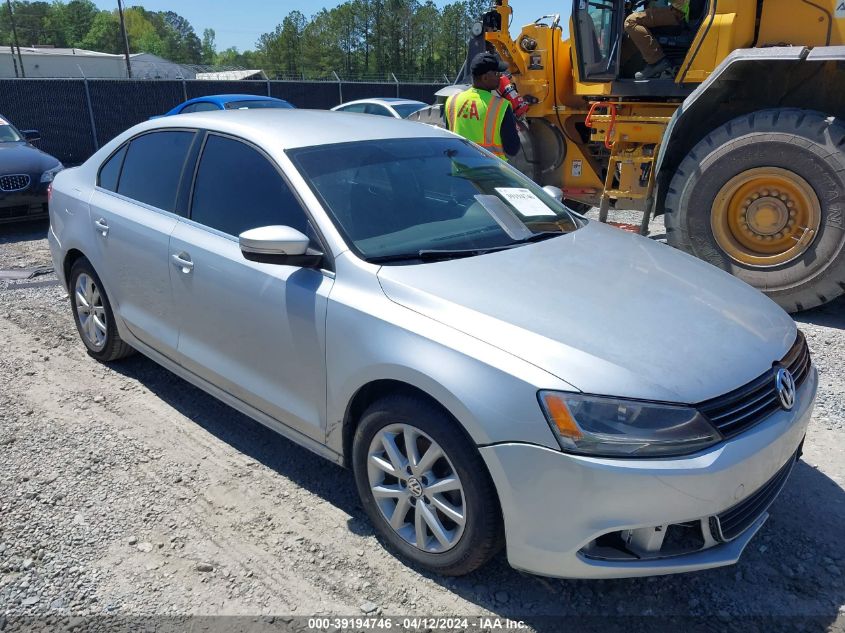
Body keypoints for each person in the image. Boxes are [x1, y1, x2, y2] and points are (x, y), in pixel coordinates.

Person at [444, 52, 521, 160]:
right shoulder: (500, 106)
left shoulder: (452, 101)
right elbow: (512, 149)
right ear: (484, 78)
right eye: (496, 73)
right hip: (491, 172)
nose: (500, 77)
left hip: (460, 171)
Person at [624, 0, 690, 80]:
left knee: (630, 22)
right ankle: (622, 68)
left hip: (678, 12)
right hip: (677, 10)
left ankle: (657, 62)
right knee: (636, 32)